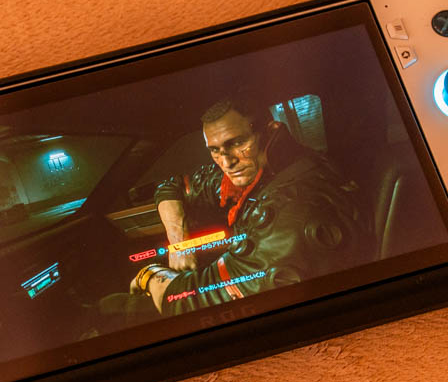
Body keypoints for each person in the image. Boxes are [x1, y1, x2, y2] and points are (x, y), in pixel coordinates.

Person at [130, 98, 371, 316]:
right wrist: (179, 242)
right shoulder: (250, 171)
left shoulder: (295, 209)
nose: (227, 162)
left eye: (238, 143)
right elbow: (171, 185)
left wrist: (149, 274)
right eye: (215, 150)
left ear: (271, 131)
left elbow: (189, 303)